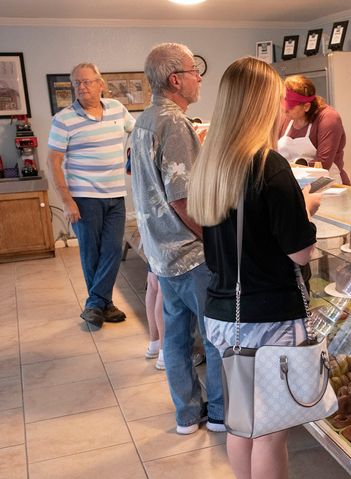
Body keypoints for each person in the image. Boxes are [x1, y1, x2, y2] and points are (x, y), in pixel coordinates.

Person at [187, 56, 325, 479]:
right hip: (268, 315)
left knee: (241, 420)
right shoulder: (269, 165)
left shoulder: (211, 161)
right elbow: (300, 252)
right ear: (261, 104)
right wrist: (306, 210)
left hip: (224, 312)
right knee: (270, 432)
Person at [129, 42, 225, 436]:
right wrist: (214, 241)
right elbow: (183, 197)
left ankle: (187, 413)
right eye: (193, 70)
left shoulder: (144, 120)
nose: (198, 77)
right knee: (216, 336)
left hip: (161, 253)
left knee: (177, 337)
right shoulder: (174, 123)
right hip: (191, 255)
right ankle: (219, 413)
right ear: (175, 79)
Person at [47, 63, 135, 329]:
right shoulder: (64, 119)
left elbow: (139, 132)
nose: (81, 87)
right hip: (83, 197)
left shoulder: (118, 109)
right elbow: (54, 161)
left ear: (100, 84)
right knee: (91, 253)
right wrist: (67, 201)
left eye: (86, 82)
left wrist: (133, 154)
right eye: (76, 83)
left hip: (115, 194)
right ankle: (102, 305)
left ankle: (96, 304)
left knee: (111, 249)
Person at [277, 74, 351, 185]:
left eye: (290, 107)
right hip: (293, 184)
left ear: (306, 106)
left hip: (327, 186)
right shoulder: (286, 117)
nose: (285, 110)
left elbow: (322, 165)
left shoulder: (328, 118)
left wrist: (288, 170)